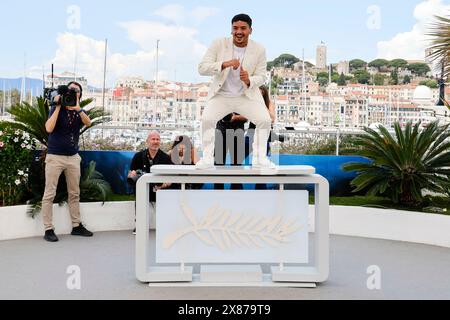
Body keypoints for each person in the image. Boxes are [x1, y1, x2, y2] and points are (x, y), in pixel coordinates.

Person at [196, 13, 276, 170]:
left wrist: (249, 80)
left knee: (264, 120)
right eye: (235, 28)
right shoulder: (219, 44)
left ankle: (260, 159)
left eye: (243, 28)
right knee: (207, 120)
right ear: (231, 29)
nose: (239, 31)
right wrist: (224, 64)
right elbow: (202, 68)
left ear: (250, 30)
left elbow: (261, 76)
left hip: (245, 96)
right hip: (221, 95)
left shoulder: (259, 49)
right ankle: (206, 159)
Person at [42, 81, 93, 242]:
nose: (72, 92)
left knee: (74, 193)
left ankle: (76, 226)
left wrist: (78, 108)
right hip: (55, 157)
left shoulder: (78, 111)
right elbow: (49, 128)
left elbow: (88, 122)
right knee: (49, 193)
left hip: (73, 157)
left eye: (76, 90)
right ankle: (48, 229)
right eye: (70, 90)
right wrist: (57, 106)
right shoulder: (56, 108)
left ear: (80, 94)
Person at [128, 131, 173, 234]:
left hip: (160, 189)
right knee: (140, 197)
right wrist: (132, 174)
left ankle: (165, 225)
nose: (155, 141)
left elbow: (170, 177)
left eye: (157, 139)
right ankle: (139, 225)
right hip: (143, 189)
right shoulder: (138, 156)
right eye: (153, 139)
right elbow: (131, 172)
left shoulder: (165, 157)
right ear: (147, 142)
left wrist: (166, 184)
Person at [214, 113, 248, 190]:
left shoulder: (243, 101)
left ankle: (236, 191)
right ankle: (217, 192)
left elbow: (247, 117)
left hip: (238, 130)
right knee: (218, 164)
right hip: (221, 128)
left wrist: (235, 117)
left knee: (237, 165)